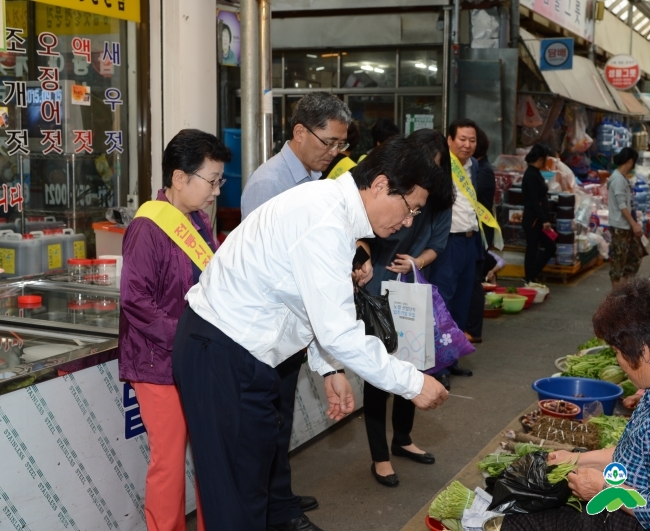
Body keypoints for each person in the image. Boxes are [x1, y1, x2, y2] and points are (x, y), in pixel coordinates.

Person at [172, 137, 450, 531]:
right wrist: (410, 382)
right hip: (222, 352)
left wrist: (327, 367)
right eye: (411, 210)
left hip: (245, 353)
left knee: (251, 486)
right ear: (382, 185)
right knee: (234, 498)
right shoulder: (325, 218)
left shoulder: (331, 211)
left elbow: (308, 303)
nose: (408, 223)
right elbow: (337, 329)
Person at [506, 278, 650, 531]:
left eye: (617, 351)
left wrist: (603, 487)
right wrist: (575, 460)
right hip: (641, 496)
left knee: (520, 522)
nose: (618, 361)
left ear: (644, 352)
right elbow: (633, 452)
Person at [239, 92, 355, 531]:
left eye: (341, 145)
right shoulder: (270, 183)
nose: (334, 153)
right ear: (299, 132)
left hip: (294, 326)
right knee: (269, 421)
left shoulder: (313, 179)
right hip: (270, 327)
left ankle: (280, 495)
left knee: (281, 418)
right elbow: (266, 268)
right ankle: (276, 510)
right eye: (329, 142)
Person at [119, 129, 232, 531]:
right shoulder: (148, 227)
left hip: (197, 357)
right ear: (180, 178)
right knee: (168, 462)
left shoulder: (198, 220)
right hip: (158, 364)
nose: (216, 191)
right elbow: (135, 301)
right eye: (212, 181)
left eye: (220, 182)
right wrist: (185, 339)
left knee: (208, 456)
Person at [361, 128, 454, 487]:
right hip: (375, 287)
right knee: (378, 368)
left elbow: (439, 244)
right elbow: (362, 234)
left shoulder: (442, 197)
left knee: (411, 360)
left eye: (433, 165)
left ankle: (402, 439)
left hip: (411, 288)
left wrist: (416, 260)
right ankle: (379, 456)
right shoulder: (388, 189)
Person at [428, 118, 492, 381]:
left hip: (470, 241)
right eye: (462, 139)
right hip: (447, 243)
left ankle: (452, 359)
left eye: (472, 140)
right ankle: (437, 367)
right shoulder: (440, 164)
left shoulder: (475, 166)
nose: (467, 145)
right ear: (450, 140)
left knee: (462, 304)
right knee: (443, 302)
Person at [465, 126, 496, 344]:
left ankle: (474, 330)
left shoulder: (480, 169)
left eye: (471, 140)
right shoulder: (476, 167)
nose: (466, 145)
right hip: (478, 230)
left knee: (474, 281)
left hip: (479, 231)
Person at [607, 147, 642, 287]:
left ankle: (624, 289)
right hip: (620, 226)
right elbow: (622, 205)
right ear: (630, 161)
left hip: (626, 225)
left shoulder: (622, 178)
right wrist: (634, 224)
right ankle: (616, 298)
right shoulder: (618, 179)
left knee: (634, 257)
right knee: (619, 261)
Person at [521, 144, 556, 284]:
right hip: (534, 219)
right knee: (534, 248)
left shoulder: (534, 173)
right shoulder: (531, 175)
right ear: (541, 159)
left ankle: (531, 275)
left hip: (537, 218)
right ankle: (530, 277)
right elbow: (534, 201)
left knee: (542, 247)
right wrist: (544, 220)